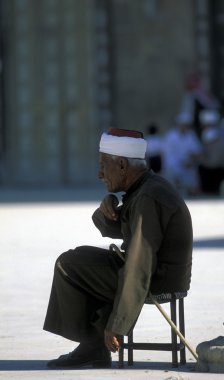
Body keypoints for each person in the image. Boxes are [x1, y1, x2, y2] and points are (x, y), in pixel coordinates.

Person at [43, 128, 193, 369]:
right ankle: (93, 346)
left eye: (103, 165)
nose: (99, 174)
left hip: (158, 280)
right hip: (160, 273)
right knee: (79, 258)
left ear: (122, 165)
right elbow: (116, 227)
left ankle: (94, 345)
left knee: (69, 266)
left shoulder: (147, 197)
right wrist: (108, 205)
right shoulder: (145, 188)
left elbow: (139, 264)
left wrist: (118, 323)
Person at [162, 112, 203, 195]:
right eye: (184, 125)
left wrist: (192, 160)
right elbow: (169, 155)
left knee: (193, 179)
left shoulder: (190, 135)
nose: (186, 127)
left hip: (188, 166)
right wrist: (182, 163)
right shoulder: (171, 136)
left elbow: (197, 150)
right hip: (173, 167)